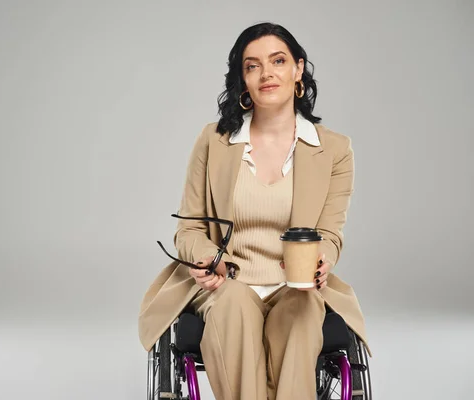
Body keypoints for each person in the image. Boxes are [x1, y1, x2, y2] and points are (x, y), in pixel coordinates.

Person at [138, 22, 370, 400]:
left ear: (298, 70)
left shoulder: (335, 150)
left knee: (303, 308)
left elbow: (329, 234)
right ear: (242, 79)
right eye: (252, 65)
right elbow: (190, 229)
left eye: (278, 61)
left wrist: (322, 259)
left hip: (294, 285)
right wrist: (207, 258)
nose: (266, 73)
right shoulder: (214, 142)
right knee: (233, 304)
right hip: (226, 284)